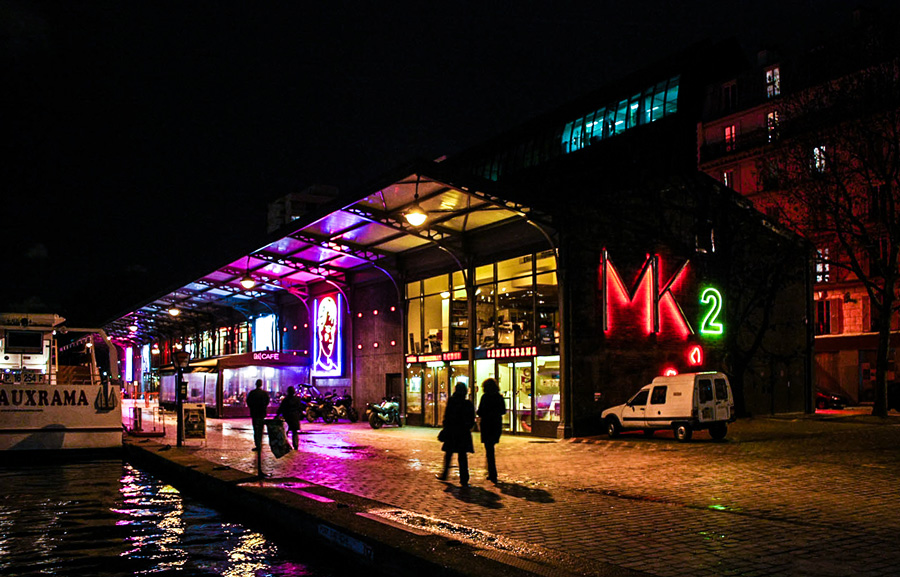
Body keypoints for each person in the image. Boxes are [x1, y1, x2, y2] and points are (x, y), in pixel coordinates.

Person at [437, 382, 476, 487]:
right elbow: (472, 419)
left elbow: (447, 416)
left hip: (452, 431)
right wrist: (468, 427)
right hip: (463, 433)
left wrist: (446, 426)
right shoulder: (468, 403)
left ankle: (444, 474)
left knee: (449, 454)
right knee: (462, 456)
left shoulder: (452, 401)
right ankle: (464, 479)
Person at [476, 378, 506, 483]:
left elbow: (480, 411)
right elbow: (503, 411)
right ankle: (491, 471)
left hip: (487, 425)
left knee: (489, 450)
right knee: (490, 448)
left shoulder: (485, 397)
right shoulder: (499, 397)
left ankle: (492, 472)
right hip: (496, 425)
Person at [276, 385, 304, 450]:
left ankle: (285, 445)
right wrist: (299, 415)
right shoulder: (297, 399)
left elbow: (281, 408)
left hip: (287, 417)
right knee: (294, 432)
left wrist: (277, 416)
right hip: (294, 417)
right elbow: (300, 408)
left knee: (285, 432)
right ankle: (295, 445)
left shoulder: (285, 400)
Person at [246, 379, 270, 452]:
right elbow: (267, 401)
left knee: (255, 429)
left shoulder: (252, 393)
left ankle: (258, 444)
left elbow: (248, 401)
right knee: (260, 429)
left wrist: (252, 408)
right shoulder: (264, 393)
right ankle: (260, 443)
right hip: (262, 413)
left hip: (254, 413)